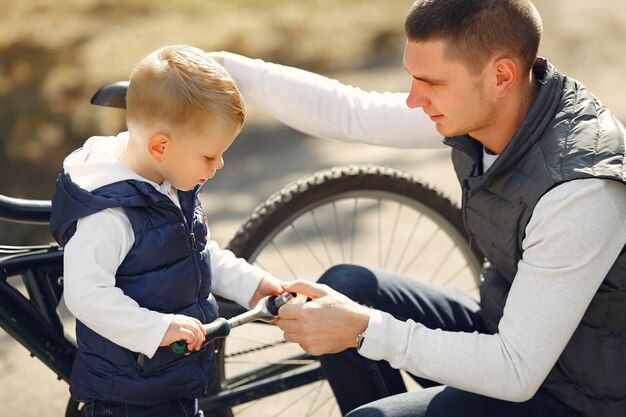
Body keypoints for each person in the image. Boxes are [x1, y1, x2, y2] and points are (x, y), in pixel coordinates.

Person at [210, 1, 626, 416]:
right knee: (347, 285)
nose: (414, 99)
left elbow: (515, 370)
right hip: (517, 337)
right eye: (412, 77)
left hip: (582, 395)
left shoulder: (579, 189)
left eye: (432, 82)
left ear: (501, 75)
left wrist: (362, 329)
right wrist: (225, 66)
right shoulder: (490, 108)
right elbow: (353, 113)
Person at [49, 45, 284, 417]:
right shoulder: (111, 215)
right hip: (131, 395)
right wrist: (156, 329)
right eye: (210, 155)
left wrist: (250, 284)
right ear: (160, 146)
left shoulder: (169, 182)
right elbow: (85, 294)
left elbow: (195, 250)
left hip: (172, 374)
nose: (220, 164)